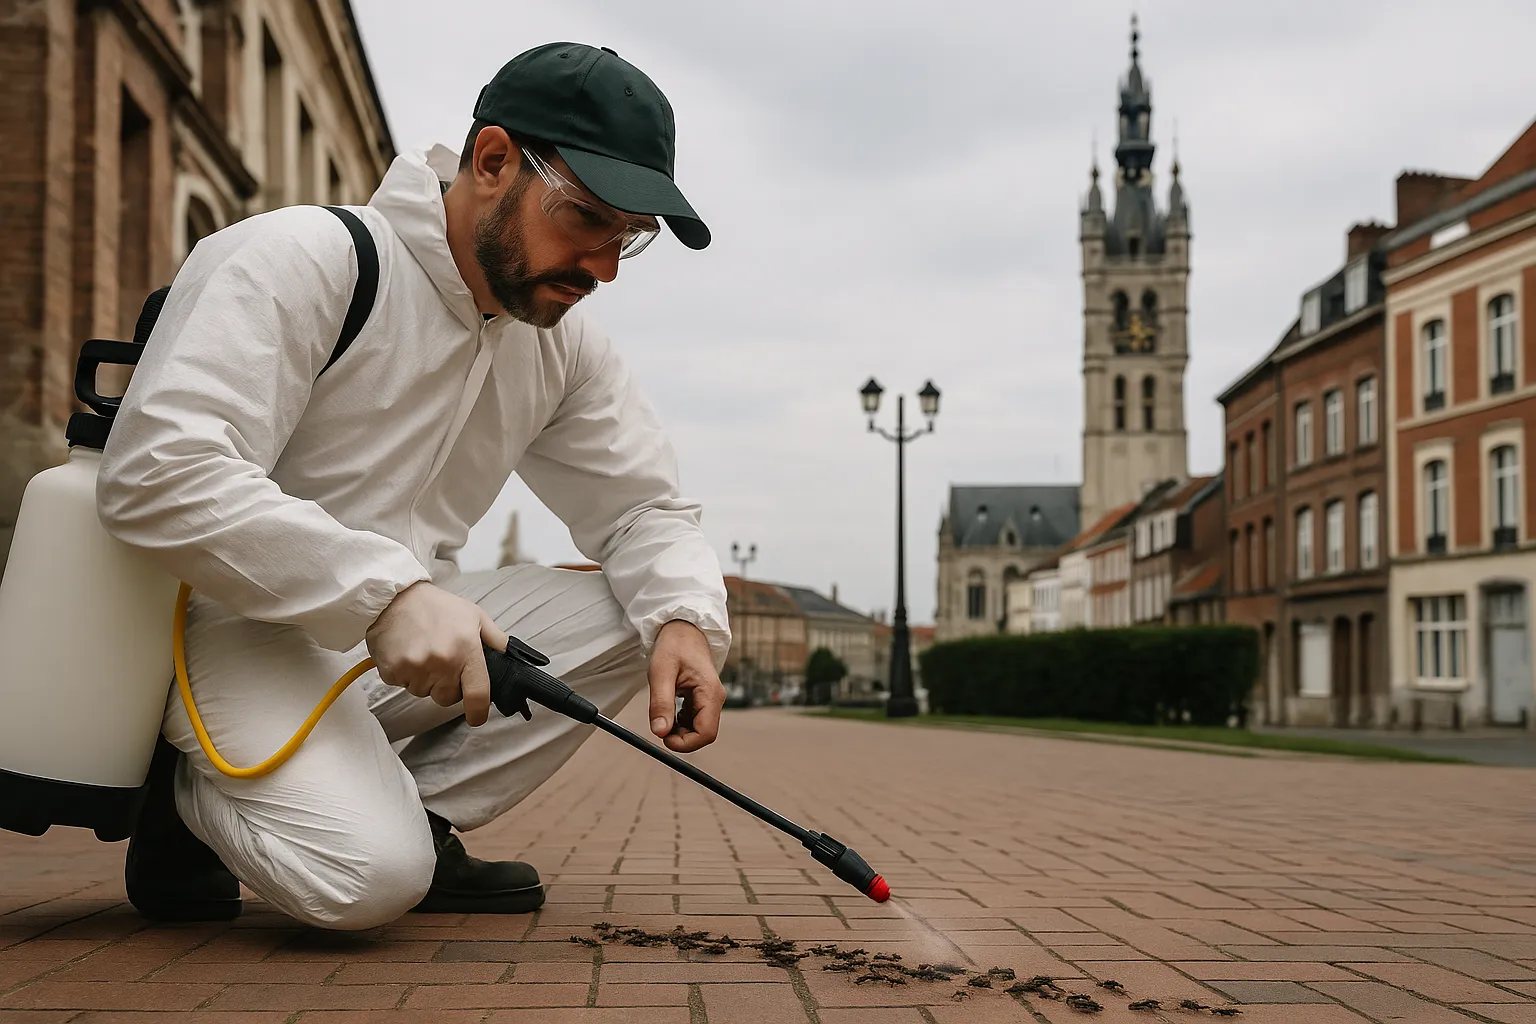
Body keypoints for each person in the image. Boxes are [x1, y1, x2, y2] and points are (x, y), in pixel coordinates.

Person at [95, 41, 731, 930]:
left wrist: (688, 625)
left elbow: (643, 510)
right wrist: (386, 594)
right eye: (586, 217)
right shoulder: (307, 255)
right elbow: (157, 473)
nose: (605, 267)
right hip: (238, 631)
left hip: (406, 631)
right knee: (367, 885)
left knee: (648, 611)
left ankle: (418, 821)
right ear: (493, 159)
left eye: (629, 237)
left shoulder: (557, 340)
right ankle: (194, 800)